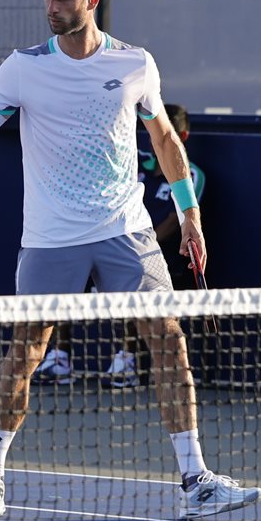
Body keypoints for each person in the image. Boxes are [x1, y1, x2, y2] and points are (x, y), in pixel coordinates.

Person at [0, 0, 261, 521]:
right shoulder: (23, 67)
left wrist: (190, 214)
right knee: (27, 350)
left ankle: (195, 480)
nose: (51, 6)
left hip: (126, 229)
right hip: (51, 237)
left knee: (168, 340)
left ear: (91, 1)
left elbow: (165, 140)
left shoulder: (135, 63)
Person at [105, 102, 205, 388]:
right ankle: (63, 357)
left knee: (137, 278)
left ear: (182, 137)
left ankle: (135, 361)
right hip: (126, 247)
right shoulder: (136, 165)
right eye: (150, 131)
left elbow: (175, 222)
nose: (154, 138)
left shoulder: (192, 175)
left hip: (168, 256)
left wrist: (137, 246)